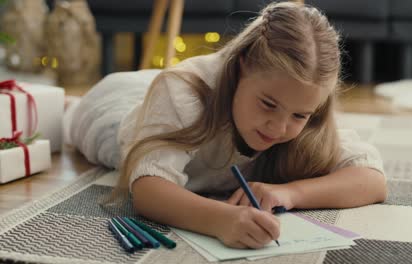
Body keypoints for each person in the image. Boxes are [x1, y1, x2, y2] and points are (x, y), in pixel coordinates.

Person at [69, 2, 386, 249]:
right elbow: (148, 191)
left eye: (299, 116)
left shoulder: (300, 99)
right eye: (268, 104)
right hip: (113, 107)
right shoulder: (182, 95)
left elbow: (371, 179)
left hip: (163, 91)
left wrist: (290, 193)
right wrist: (221, 220)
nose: (278, 127)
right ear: (242, 67)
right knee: (72, 119)